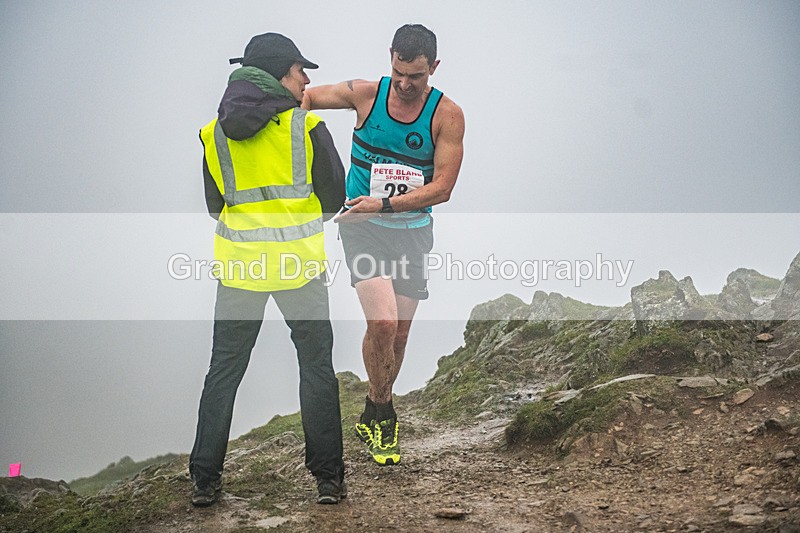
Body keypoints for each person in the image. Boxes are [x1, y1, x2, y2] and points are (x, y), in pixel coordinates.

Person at [189, 32, 347, 506]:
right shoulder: (307, 127)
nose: (306, 81)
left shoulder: (213, 135)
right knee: (316, 367)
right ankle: (328, 481)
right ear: (281, 73)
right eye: (302, 71)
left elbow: (216, 207)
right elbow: (335, 199)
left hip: (239, 273)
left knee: (224, 370)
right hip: (300, 270)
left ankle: (203, 480)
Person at [303, 24, 465, 466]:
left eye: (416, 75)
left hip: (411, 231)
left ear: (433, 67)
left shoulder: (446, 114)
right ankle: (386, 417)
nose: (406, 84)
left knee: (402, 333)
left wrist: (386, 204)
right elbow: (306, 97)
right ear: (390, 57)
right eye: (399, 72)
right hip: (362, 225)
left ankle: (374, 403)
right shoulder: (366, 95)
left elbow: (444, 188)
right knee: (383, 325)